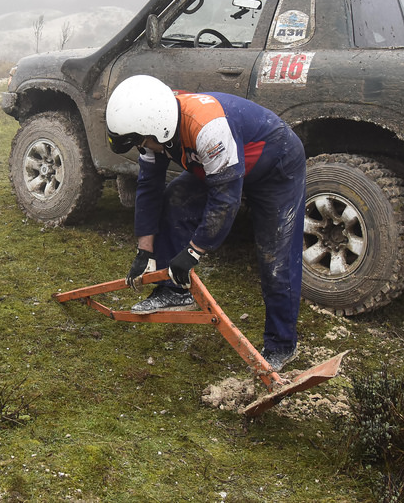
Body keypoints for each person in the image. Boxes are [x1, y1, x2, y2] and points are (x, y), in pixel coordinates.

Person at [106, 74, 306, 371]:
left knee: (275, 259)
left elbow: (225, 201)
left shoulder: (209, 128)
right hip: (221, 167)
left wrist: (192, 252)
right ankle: (173, 290)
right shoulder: (151, 120)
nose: (142, 146)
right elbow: (149, 188)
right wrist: (144, 252)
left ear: (157, 130)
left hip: (274, 166)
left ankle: (282, 345)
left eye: (142, 142)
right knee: (174, 198)